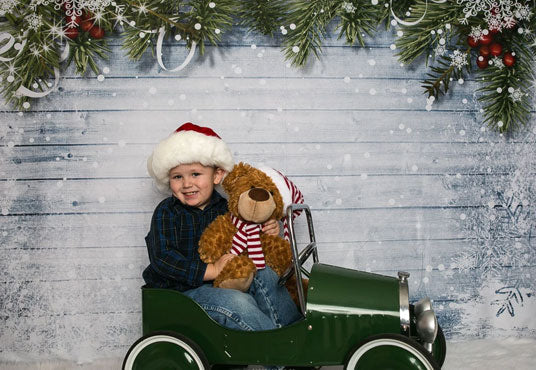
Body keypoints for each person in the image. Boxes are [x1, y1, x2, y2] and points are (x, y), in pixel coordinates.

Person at [143, 122, 301, 332]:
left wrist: (269, 230)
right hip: (180, 295)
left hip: (221, 285)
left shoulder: (227, 209)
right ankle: (279, 355)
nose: (187, 184)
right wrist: (212, 270)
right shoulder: (167, 211)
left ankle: (293, 335)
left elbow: (246, 241)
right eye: (177, 177)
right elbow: (163, 259)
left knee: (266, 274)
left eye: (195, 174)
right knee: (237, 303)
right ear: (168, 179)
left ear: (217, 175)